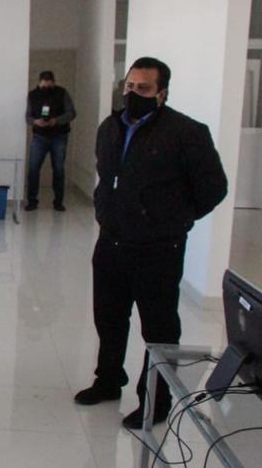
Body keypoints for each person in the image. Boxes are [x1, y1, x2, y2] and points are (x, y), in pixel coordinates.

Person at [73, 57, 227, 429]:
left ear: (161, 93)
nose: (133, 94)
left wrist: (174, 219)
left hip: (158, 248)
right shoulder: (110, 127)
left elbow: (213, 188)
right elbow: (108, 175)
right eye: (129, 86)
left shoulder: (186, 132)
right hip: (111, 241)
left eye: (143, 88)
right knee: (109, 318)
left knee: (158, 328)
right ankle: (108, 379)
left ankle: (156, 400)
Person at [25, 70, 77, 212]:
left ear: (54, 83)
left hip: (59, 136)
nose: (46, 89)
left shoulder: (62, 93)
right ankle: (32, 201)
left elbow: (71, 113)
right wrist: (36, 121)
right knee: (33, 169)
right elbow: (28, 117)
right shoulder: (32, 95)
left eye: (49, 86)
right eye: (43, 87)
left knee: (58, 169)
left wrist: (56, 121)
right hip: (39, 136)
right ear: (39, 83)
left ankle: (58, 202)